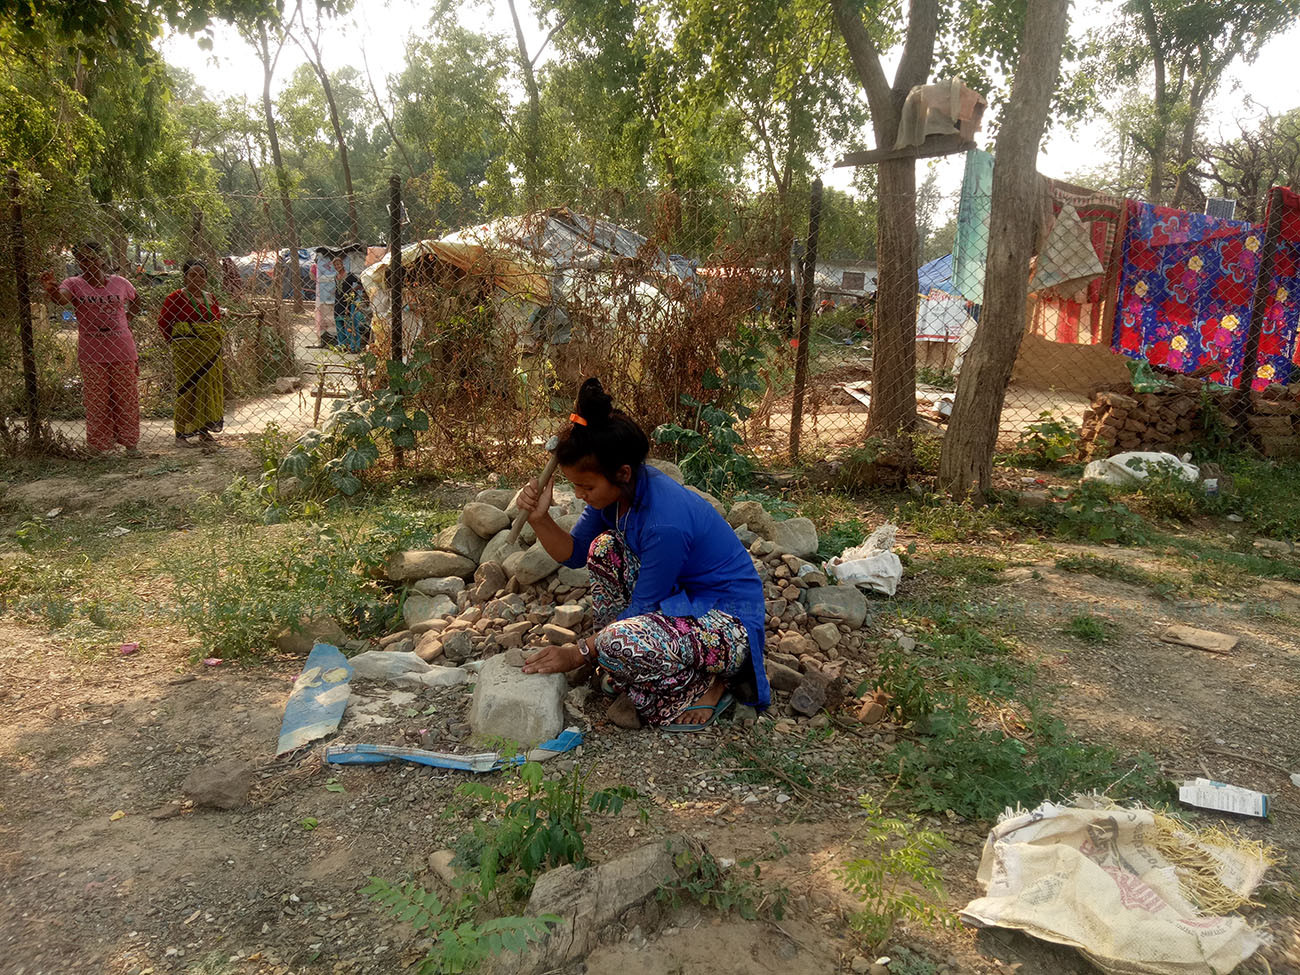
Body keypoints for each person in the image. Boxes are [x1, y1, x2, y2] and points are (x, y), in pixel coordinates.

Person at [517, 379, 769, 731]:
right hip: (684, 604)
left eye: (586, 486)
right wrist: (539, 519)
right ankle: (618, 659)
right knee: (603, 550)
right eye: (574, 485)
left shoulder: (664, 524)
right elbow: (574, 555)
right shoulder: (619, 497)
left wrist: (579, 653)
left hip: (728, 623)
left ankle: (712, 683)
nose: (578, 495)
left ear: (622, 473)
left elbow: (642, 609)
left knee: (621, 641)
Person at [40, 241, 143, 456]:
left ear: (102, 258)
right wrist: (51, 288)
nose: (89, 263)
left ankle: (130, 444)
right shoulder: (74, 283)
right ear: (78, 262)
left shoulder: (120, 283)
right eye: (83, 260)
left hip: (122, 349)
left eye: (92, 258)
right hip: (92, 352)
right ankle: (98, 446)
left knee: (126, 398)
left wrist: (128, 320)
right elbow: (61, 300)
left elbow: (137, 300)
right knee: (97, 401)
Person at [157, 259, 225, 447]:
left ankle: (204, 432)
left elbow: (216, 321)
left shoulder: (210, 297)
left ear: (206, 278)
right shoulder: (175, 298)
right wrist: (183, 341)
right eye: (192, 275)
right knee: (187, 388)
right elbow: (164, 323)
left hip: (210, 352)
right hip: (186, 353)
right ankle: (181, 434)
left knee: (208, 389)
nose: (197, 279)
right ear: (185, 277)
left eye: (201, 275)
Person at [332, 255, 371, 353]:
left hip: (349, 302)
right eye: (335, 265)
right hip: (338, 302)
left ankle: (354, 347)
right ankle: (342, 345)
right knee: (339, 323)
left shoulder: (350, 275)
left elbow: (361, 282)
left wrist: (354, 290)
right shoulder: (335, 277)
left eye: (338, 264)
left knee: (351, 324)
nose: (337, 266)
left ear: (342, 264)